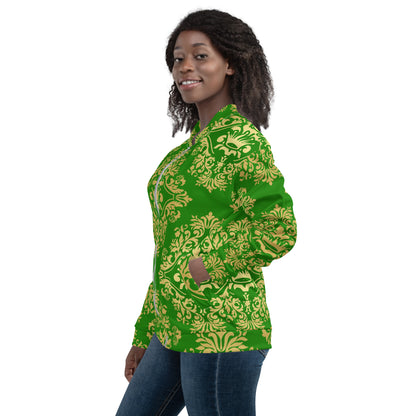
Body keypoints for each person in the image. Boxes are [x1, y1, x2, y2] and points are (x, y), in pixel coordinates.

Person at [116, 9, 297, 416]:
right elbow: (169, 248)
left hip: (221, 329)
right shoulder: (184, 153)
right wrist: (145, 330)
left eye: (200, 56)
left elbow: (279, 228)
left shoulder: (241, 142)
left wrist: (210, 265)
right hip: (173, 326)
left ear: (230, 64)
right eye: (178, 58)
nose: (185, 67)